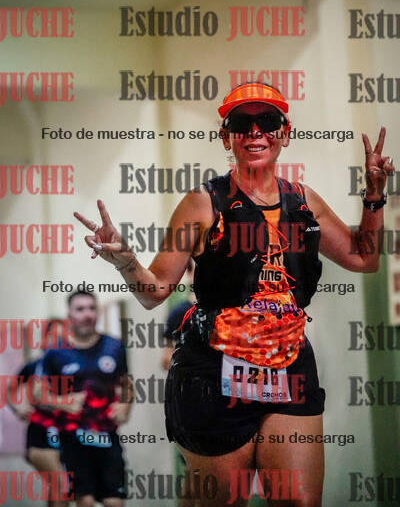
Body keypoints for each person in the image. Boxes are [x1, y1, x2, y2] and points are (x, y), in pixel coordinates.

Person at [74, 82, 394, 507]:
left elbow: (364, 258)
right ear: (227, 137)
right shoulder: (203, 203)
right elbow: (154, 292)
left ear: (284, 133)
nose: (255, 131)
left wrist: (374, 195)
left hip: (288, 365)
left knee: (298, 501)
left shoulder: (304, 201)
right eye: (242, 123)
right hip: (214, 371)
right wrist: (125, 260)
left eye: (268, 121)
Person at [38, 290, 132, 507]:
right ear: (69, 315)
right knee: (85, 501)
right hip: (72, 438)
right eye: (80, 309)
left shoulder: (114, 346)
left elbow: (127, 384)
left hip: (107, 435)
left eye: (92, 308)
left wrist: (126, 405)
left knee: (114, 502)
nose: (87, 314)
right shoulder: (55, 352)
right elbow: (38, 396)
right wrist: (63, 403)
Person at [8, 355, 67, 507]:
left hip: (67, 433)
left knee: (56, 488)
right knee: (61, 486)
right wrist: (18, 409)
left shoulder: (73, 362)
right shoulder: (34, 366)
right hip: (40, 435)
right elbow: (9, 389)